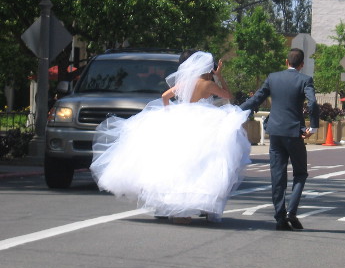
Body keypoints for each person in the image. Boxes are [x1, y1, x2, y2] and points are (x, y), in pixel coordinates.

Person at [90, 51, 251, 224]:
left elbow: (165, 96)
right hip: (203, 122)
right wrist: (219, 77)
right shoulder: (208, 84)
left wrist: (168, 113)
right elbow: (228, 96)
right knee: (203, 165)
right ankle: (203, 206)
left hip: (181, 119)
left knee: (175, 163)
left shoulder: (186, 83)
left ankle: (174, 208)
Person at [240, 48, 320, 231]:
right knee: (300, 173)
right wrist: (313, 127)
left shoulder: (273, 77)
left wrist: (238, 110)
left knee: (277, 176)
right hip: (294, 133)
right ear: (301, 65)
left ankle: (279, 217)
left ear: (286, 62)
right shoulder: (305, 80)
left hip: (275, 132)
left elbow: (257, 98)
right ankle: (291, 211)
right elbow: (313, 103)